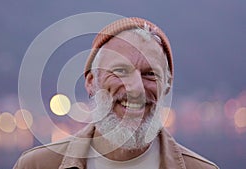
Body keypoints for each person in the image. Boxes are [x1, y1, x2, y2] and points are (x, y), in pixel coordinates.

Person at [13, 17, 219, 169]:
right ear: (91, 82)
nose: (136, 88)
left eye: (150, 74)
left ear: (167, 86)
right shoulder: (36, 165)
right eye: (120, 71)